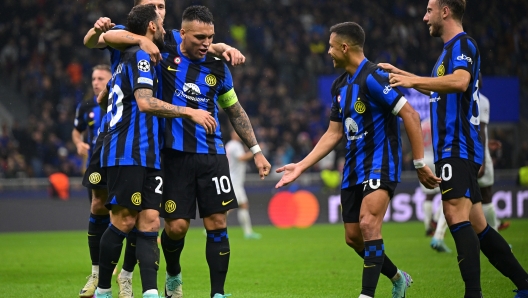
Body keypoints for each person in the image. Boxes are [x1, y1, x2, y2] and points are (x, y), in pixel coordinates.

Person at [82, 1, 245, 297]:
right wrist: (189, 112)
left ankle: (147, 290)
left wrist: (220, 47)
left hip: (153, 152)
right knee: (118, 216)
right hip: (126, 145)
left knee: (148, 221)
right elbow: (96, 40)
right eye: (154, 6)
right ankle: (101, 284)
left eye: (162, 4)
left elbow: (196, 41)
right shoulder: (136, 45)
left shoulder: (166, 42)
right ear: (149, 20)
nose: (160, 10)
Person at [275, 22, 440, 298]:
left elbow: (410, 114)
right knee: (353, 237)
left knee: (368, 224)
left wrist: (420, 163)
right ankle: (398, 278)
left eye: (330, 46)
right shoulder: (339, 86)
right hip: (353, 168)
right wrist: (301, 166)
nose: (327, 52)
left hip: (380, 162)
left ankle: (366, 295)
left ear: (344, 47)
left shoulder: (374, 77)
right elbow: (333, 133)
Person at [380, 0, 528, 296]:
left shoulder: (463, 45)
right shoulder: (447, 54)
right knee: (480, 228)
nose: (424, 17)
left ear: (445, 11)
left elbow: (460, 82)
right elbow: (438, 85)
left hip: (457, 147)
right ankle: (524, 284)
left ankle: (473, 293)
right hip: (458, 149)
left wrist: (412, 79)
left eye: (429, 10)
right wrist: (404, 75)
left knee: (453, 216)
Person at [477, 74, 509, 231]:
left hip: (465, 155)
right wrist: (482, 160)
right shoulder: (481, 100)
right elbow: (481, 131)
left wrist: (487, 143)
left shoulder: (460, 99)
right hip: (479, 157)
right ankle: (495, 234)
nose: (482, 77)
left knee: (459, 198)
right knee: (486, 195)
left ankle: (439, 234)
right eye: (479, 73)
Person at [225, 129, 261, 240]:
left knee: (243, 205)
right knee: (231, 206)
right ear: (232, 134)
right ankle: (212, 226)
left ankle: (248, 232)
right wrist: (256, 151)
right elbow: (242, 158)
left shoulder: (230, 145)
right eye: (237, 132)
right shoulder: (235, 145)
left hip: (235, 180)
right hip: (234, 181)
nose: (240, 134)